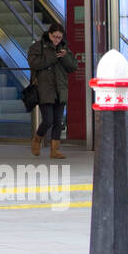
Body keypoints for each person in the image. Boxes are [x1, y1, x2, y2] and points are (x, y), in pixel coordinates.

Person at [28, 22, 77, 159]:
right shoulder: (38, 47)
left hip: (60, 89)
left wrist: (65, 56)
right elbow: (33, 63)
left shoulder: (64, 48)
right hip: (45, 89)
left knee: (58, 121)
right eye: (55, 37)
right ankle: (37, 139)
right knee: (48, 120)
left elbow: (73, 67)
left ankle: (55, 150)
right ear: (49, 34)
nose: (57, 40)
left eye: (59, 37)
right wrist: (53, 56)